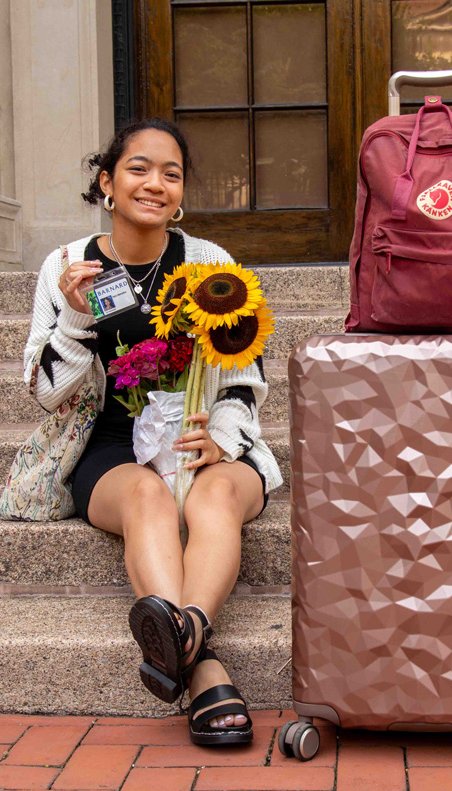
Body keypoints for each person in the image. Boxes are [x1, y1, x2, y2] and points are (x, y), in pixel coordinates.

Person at [19, 118, 282, 745]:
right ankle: (202, 668)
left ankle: (180, 637)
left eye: (171, 173)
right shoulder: (67, 268)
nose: (155, 184)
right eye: (139, 168)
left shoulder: (207, 262)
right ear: (107, 182)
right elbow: (45, 391)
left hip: (201, 435)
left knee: (215, 495)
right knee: (148, 497)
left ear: (182, 190)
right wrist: (77, 322)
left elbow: (245, 373)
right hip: (111, 446)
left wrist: (224, 434)